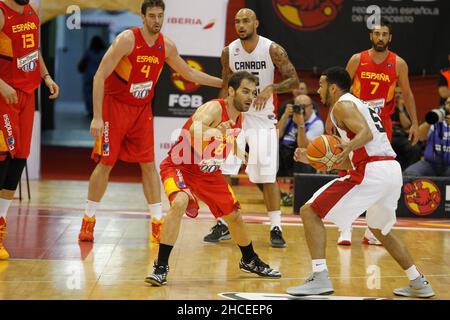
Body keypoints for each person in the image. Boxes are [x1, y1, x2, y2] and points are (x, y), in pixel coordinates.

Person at [78, 0, 222, 243]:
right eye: (152, 16)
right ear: (142, 17)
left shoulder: (166, 46)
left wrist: (223, 83)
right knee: (106, 163)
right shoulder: (127, 40)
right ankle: (88, 220)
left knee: (148, 164)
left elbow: (189, 74)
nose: (157, 20)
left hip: (141, 109)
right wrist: (98, 116)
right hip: (115, 106)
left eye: (160, 16)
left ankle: (157, 222)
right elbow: (99, 75)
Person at [287, 67, 434, 298]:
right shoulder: (359, 105)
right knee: (380, 229)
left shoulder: (342, 105)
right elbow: (353, 156)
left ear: (333, 87)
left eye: (322, 85)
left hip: (372, 171)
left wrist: (348, 146)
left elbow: (365, 134)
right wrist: (313, 157)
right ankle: (418, 281)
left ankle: (319, 277)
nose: (319, 89)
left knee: (309, 212)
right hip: (389, 171)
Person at [145, 71, 281, 286]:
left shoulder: (240, 116)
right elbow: (195, 129)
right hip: (180, 166)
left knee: (234, 216)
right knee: (179, 202)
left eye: (253, 93)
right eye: (245, 91)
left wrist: (238, 150)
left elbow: (230, 134)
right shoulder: (214, 107)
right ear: (231, 90)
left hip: (207, 173)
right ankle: (161, 267)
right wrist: (217, 132)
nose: (249, 97)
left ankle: (249, 259)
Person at [203, 8, 300, 247]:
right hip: (236, 117)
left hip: (263, 117)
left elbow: (294, 79)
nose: (241, 25)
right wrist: (218, 114)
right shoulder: (229, 52)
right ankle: (222, 223)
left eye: (246, 20)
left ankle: (276, 227)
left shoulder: (272, 49)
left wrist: (272, 89)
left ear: (256, 23)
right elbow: (227, 86)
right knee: (222, 170)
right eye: (237, 21)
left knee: (267, 175)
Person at [335, 18, 420, 246]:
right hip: (356, 122)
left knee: (377, 176)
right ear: (371, 37)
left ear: (390, 38)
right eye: (376, 34)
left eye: (384, 34)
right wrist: (331, 117)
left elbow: (409, 94)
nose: (380, 37)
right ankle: (345, 227)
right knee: (350, 171)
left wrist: (414, 123)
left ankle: (372, 231)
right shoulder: (357, 59)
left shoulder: (399, 64)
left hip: (382, 125)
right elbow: (341, 89)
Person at [0, 0, 59, 260]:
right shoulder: (2, 13)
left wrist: (46, 77)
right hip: (6, 95)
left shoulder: (32, 12)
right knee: (2, 161)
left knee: (19, 160)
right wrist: (1, 85)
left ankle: (0, 223)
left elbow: (34, 50)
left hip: (27, 94)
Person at [278, 94, 324, 205]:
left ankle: (298, 197)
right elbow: (276, 135)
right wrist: (284, 116)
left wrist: (301, 124)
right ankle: (282, 196)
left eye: (304, 106)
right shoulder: (288, 117)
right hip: (284, 155)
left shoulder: (317, 123)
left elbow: (304, 147)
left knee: (303, 156)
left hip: (301, 161)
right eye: (298, 106)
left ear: (311, 107)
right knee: (261, 162)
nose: (301, 110)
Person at [404, 97, 450, 176]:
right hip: (429, 163)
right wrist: (430, 121)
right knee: (410, 173)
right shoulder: (437, 117)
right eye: (448, 103)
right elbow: (420, 137)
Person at [391, 87, 422, 170]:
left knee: (414, 149)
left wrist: (400, 108)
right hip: (389, 137)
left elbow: (406, 125)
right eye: (396, 93)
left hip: (402, 137)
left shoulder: (407, 108)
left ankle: (407, 174)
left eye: (400, 93)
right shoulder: (387, 106)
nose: (397, 95)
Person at [78, 36, 107, 118]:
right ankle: (98, 111)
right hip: (100, 77)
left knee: (88, 94)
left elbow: (82, 63)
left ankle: (90, 110)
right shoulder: (105, 52)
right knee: (100, 94)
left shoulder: (89, 52)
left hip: (88, 76)